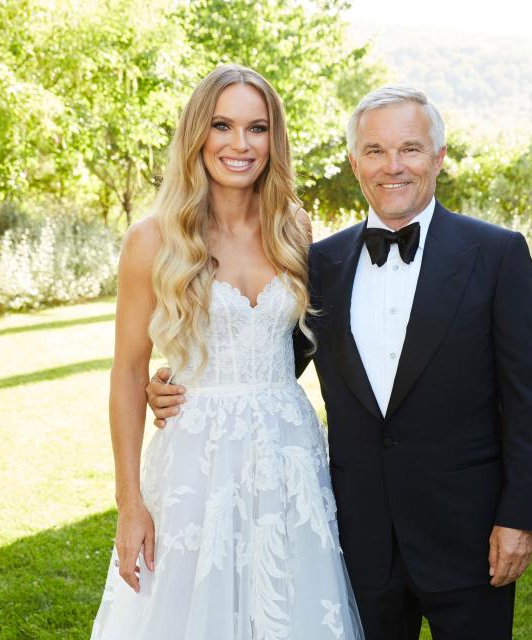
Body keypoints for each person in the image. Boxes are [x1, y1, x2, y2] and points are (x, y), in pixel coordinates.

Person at [148, 86, 532, 640]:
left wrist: (520, 517)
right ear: (354, 162)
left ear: (438, 157)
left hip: (467, 535)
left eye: (410, 149)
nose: (393, 167)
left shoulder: (497, 254)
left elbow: (529, 398)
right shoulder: (319, 261)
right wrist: (181, 384)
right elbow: (268, 354)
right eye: (375, 151)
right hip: (354, 537)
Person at [91, 65, 364, 640]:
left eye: (256, 128)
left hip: (288, 454)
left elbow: (297, 344)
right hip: (197, 459)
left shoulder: (294, 228)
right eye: (222, 125)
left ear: (274, 138)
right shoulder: (153, 239)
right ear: (198, 134)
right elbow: (126, 373)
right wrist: (129, 504)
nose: (240, 145)